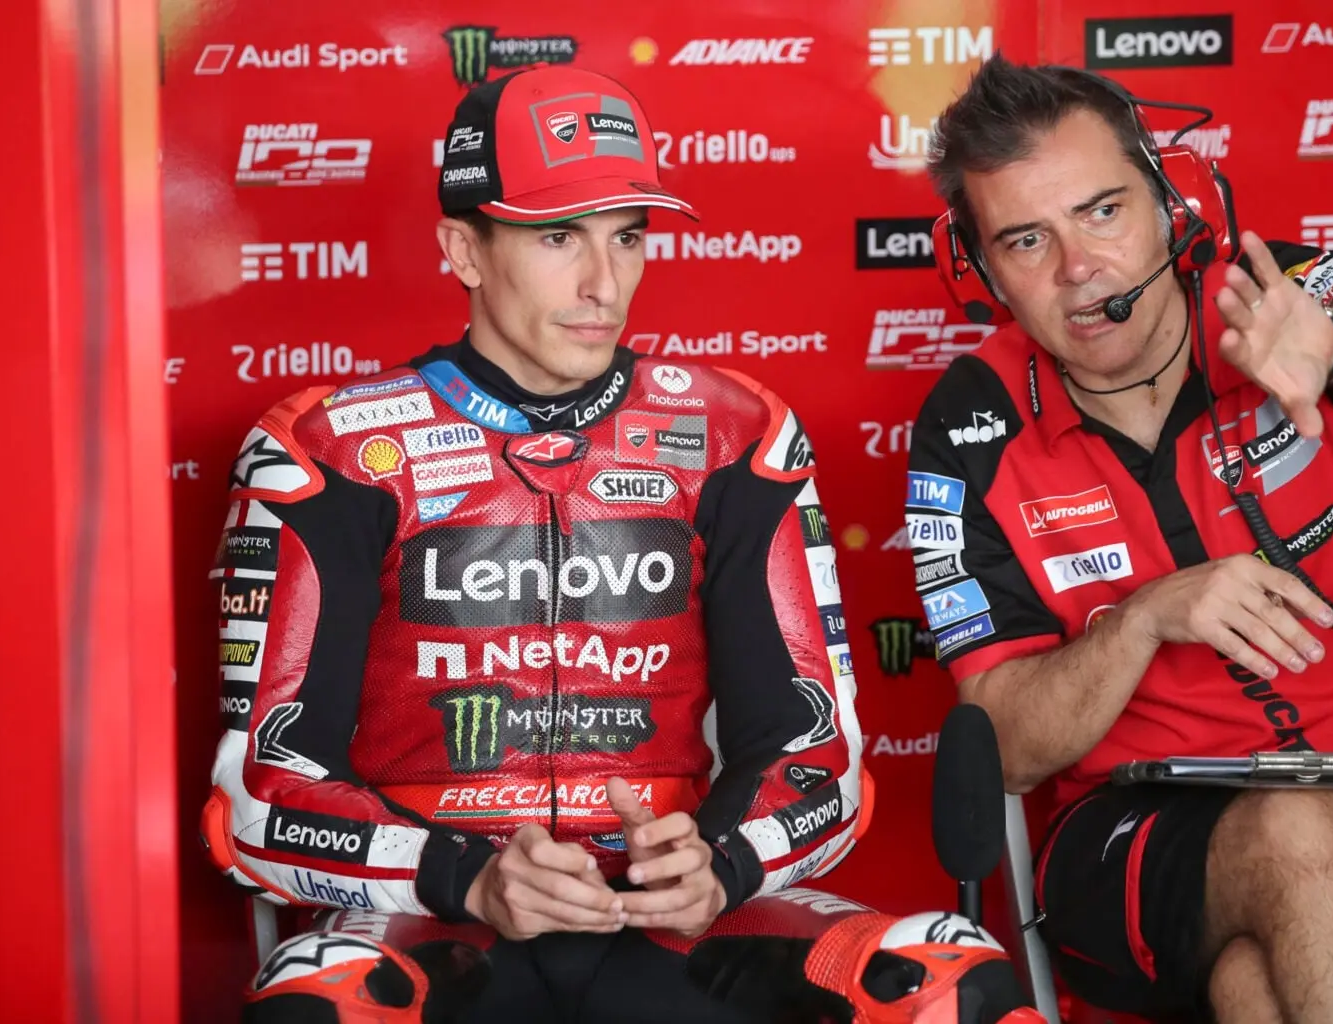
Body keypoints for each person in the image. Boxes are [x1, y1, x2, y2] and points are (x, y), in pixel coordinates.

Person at [201, 64, 1042, 1024]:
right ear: (464, 250)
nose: (604, 284)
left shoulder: (737, 436)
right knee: (317, 1005)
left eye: (627, 237)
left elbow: (818, 757)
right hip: (439, 916)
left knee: (946, 983)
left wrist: (721, 864)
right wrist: (465, 877)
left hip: (670, 923)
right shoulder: (328, 452)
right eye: (559, 236)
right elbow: (260, 796)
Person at [909, 54, 1333, 1024]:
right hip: (1134, 828)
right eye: (1026, 239)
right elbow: (1004, 747)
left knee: (1254, 987)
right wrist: (1142, 620)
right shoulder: (969, 422)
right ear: (978, 269)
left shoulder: (1266, 297)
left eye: (1102, 211)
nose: (1078, 268)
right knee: (1295, 829)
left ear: (1170, 201)